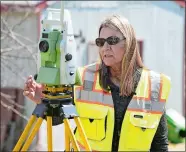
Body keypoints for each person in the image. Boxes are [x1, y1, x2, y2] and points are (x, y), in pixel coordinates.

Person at [23, 15, 171, 152]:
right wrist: (45, 101)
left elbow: (159, 144)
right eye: (101, 42)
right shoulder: (82, 78)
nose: (105, 47)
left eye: (112, 41)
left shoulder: (155, 85)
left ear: (129, 43)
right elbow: (58, 119)